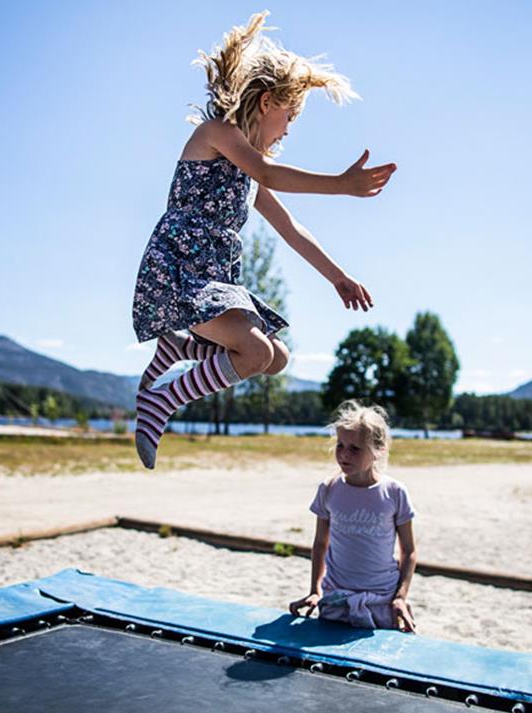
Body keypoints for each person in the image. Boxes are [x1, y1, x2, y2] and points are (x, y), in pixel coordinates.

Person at [131, 11, 396, 468]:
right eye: (289, 116)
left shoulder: (249, 171)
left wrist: (339, 278)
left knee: (276, 359)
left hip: (214, 278)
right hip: (180, 269)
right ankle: (162, 400)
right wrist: (342, 184)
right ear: (268, 101)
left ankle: (181, 348)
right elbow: (270, 170)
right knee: (254, 351)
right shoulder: (218, 135)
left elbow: (291, 228)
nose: (289, 128)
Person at [289, 400, 418, 632]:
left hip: (381, 600)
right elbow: (320, 544)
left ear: (379, 450)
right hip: (336, 598)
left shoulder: (395, 492)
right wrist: (315, 591)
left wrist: (400, 597)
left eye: (355, 449)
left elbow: (408, 552)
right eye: (340, 445)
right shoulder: (328, 489)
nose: (344, 455)